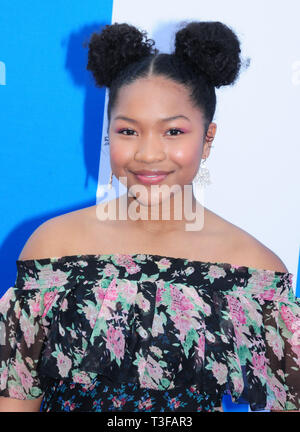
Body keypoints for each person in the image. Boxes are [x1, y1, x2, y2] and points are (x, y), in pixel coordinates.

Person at [0, 21, 299, 412]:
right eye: (129, 131)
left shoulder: (254, 271)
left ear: (208, 138)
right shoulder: (51, 248)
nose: (148, 154)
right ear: (109, 133)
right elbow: (16, 400)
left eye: (173, 132)